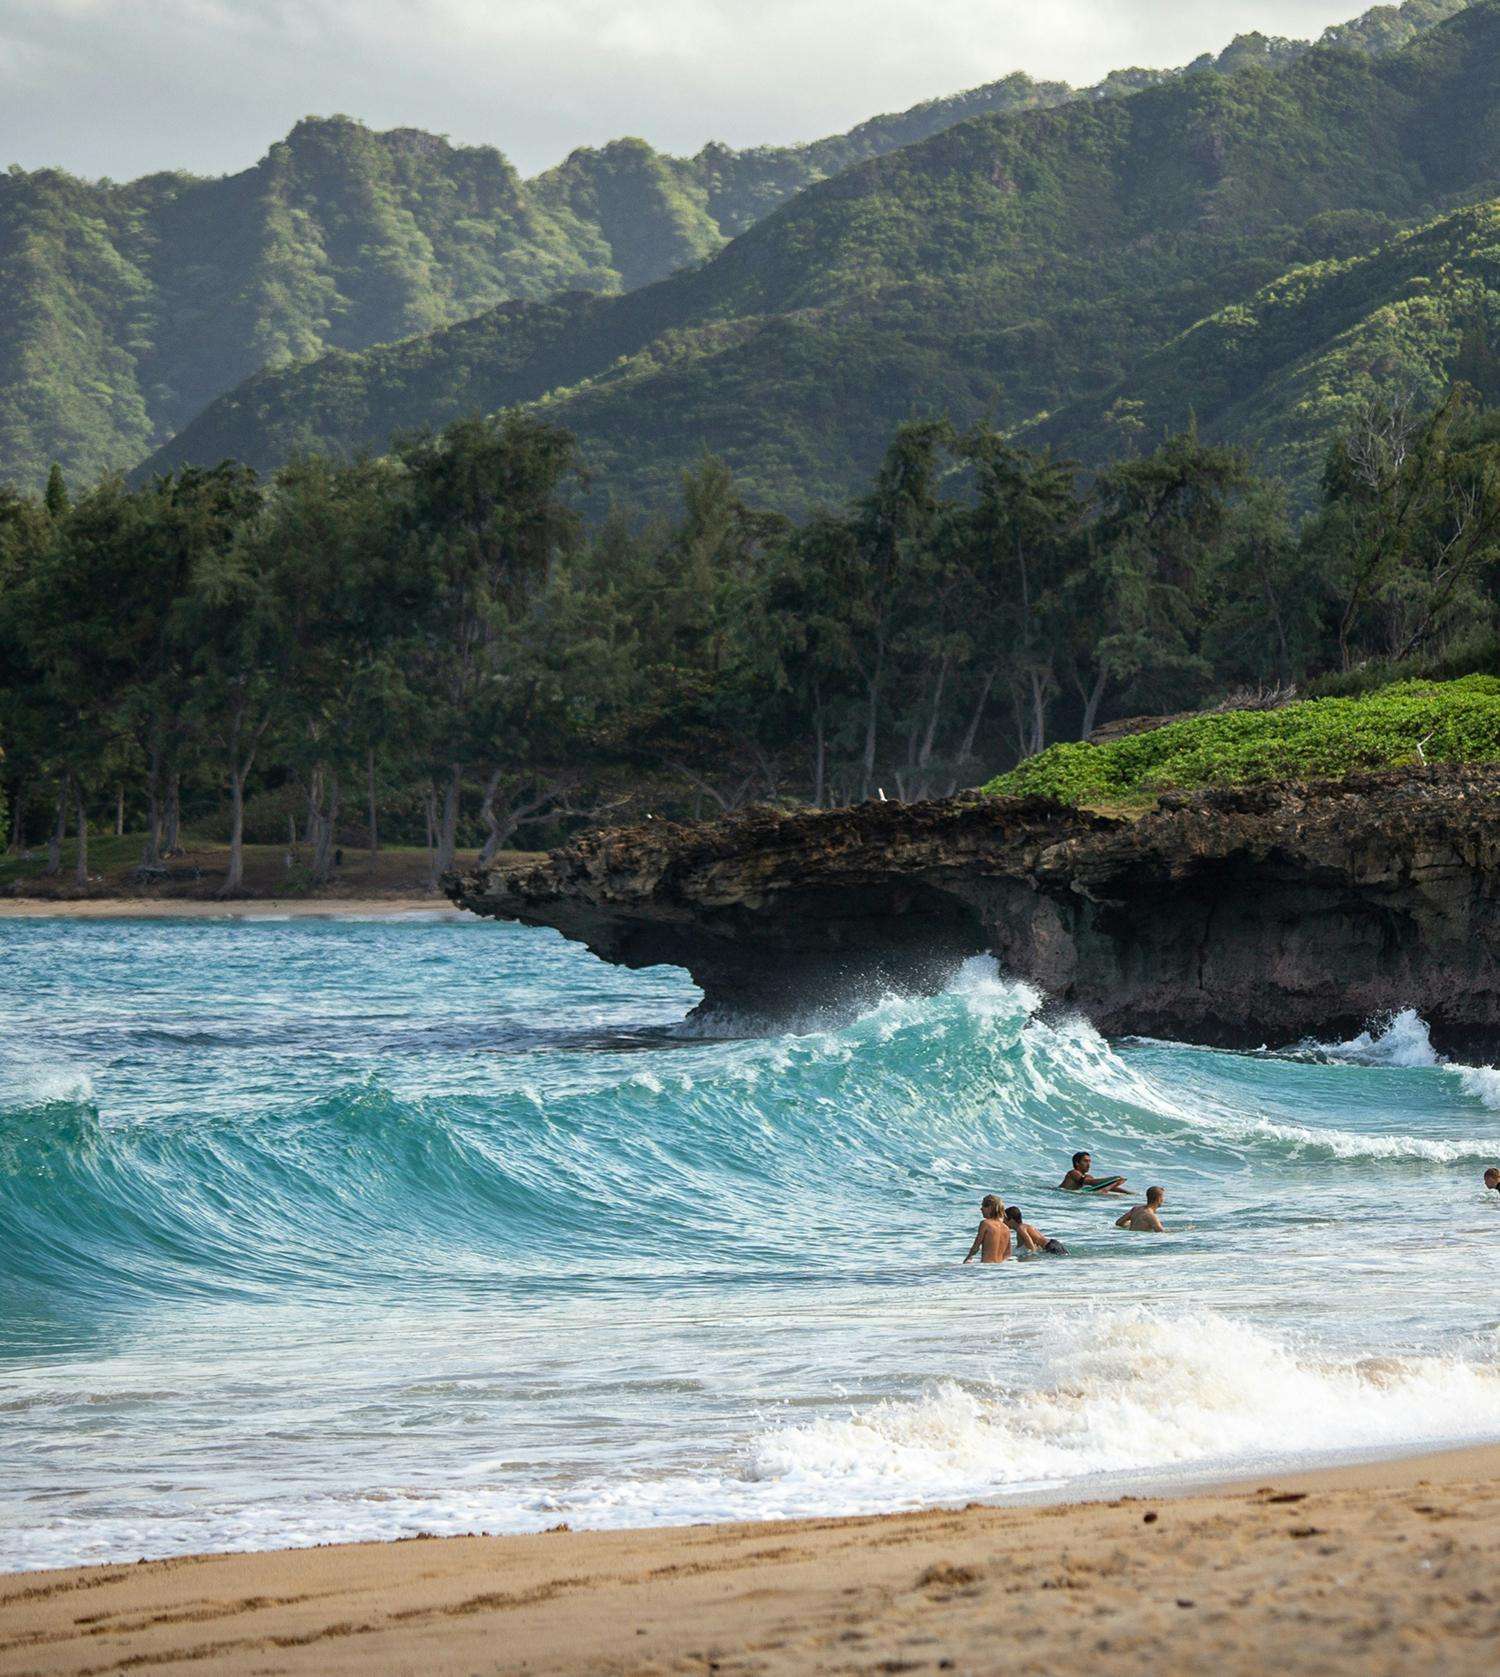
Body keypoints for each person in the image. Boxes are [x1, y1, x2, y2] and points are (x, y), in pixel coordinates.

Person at [963, 1195, 1012, 1264]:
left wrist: (967, 1259)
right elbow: (1008, 1253)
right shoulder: (1006, 1228)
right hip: (1000, 1269)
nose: (981, 1209)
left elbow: (975, 1248)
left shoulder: (985, 1224)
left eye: (983, 1206)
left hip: (986, 1267)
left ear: (990, 1208)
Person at [1058, 1151, 1129, 1194]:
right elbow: (1090, 1182)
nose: (1088, 1164)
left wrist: (1127, 1192)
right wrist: (1114, 1179)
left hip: (1070, 1195)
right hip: (1060, 1194)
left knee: (1104, 1194)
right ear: (1077, 1163)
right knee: (1101, 1193)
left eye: (1089, 1161)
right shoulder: (1073, 1173)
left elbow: (1101, 1185)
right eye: (1085, 1161)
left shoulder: (1088, 1176)